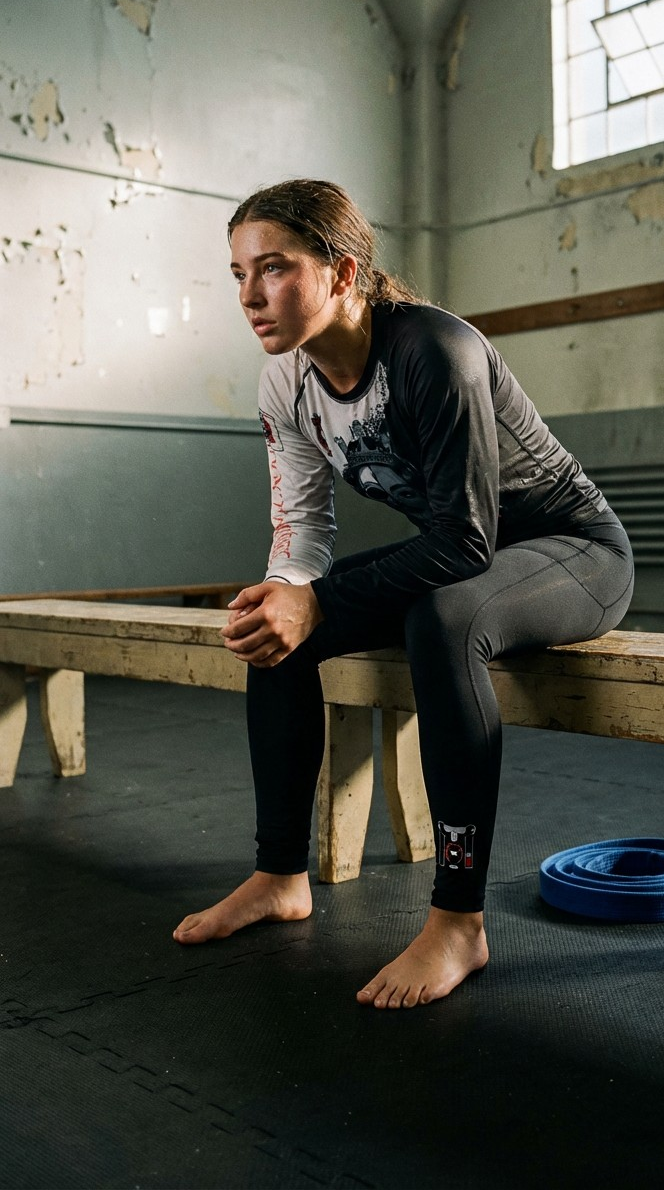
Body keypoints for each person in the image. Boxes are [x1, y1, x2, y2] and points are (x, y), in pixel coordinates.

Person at [173, 179, 634, 1008]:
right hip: (466, 550)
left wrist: (318, 598)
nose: (249, 295)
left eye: (273, 269)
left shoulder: (432, 350)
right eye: (238, 273)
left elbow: (465, 541)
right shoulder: (286, 382)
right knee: (270, 618)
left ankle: (459, 922)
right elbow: (305, 535)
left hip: (571, 554)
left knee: (444, 614)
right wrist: (289, 591)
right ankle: (281, 874)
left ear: (343, 274)